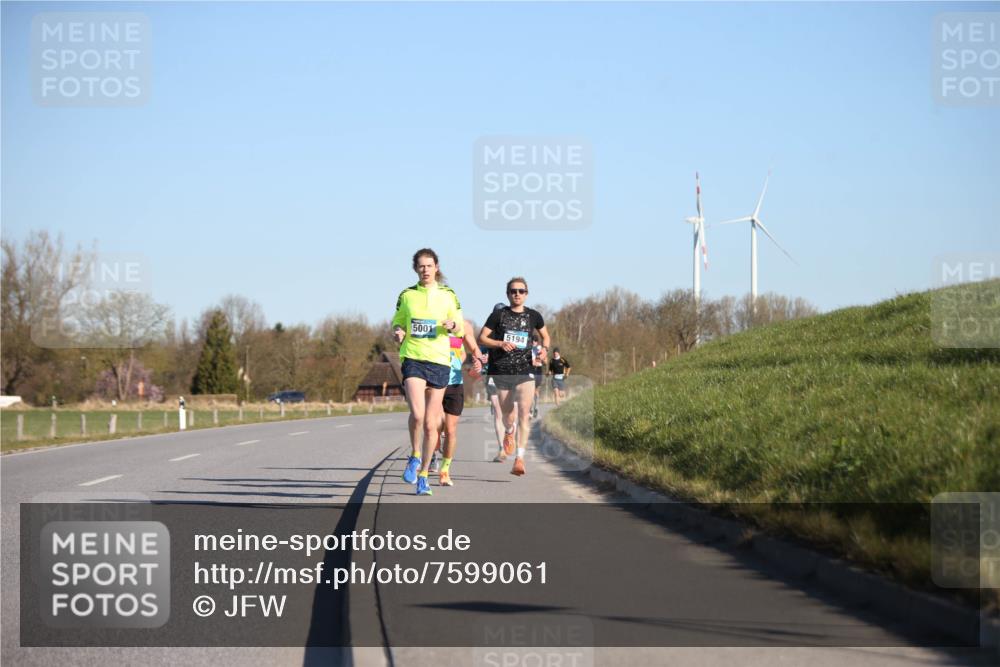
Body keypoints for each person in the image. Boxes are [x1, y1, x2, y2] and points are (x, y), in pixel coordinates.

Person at [392, 248, 464, 496]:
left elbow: (460, 326)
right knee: (418, 414)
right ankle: (414, 454)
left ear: (437, 267)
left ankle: (423, 475)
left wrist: (453, 325)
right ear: (416, 269)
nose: (425, 270)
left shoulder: (448, 295)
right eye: (421, 266)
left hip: (440, 361)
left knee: (433, 425)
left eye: (429, 265)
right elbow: (398, 320)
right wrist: (399, 331)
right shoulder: (407, 295)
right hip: (413, 357)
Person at [479, 277, 550, 476]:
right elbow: (482, 337)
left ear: (526, 293)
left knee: (525, 413)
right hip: (501, 370)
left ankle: (519, 458)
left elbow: (546, 336)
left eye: (521, 291)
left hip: (525, 370)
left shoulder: (534, 316)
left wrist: (544, 350)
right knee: (508, 415)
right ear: (507, 294)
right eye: (513, 291)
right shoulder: (498, 315)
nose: (517, 294)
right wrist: (500, 343)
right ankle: (509, 432)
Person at [429, 319, 482, 486]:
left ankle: (445, 470)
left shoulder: (464, 325)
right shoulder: (433, 321)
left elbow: (471, 349)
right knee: (434, 425)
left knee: (450, 430)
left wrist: (478, 362)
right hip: (435, 380)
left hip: (455, 382)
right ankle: (431, 454)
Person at [530, 336, 545, 418]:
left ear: (537, 342)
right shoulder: (530, 349)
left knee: (536, 391)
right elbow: (532, 362)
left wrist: (540, 355)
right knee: (531, 391)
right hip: (531, 370)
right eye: (532, 341)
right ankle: (531, 408)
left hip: (538, 370)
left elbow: (543, 357)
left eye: (535, 341)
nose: (533, 343)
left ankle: (536, 407)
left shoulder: (539, 347)